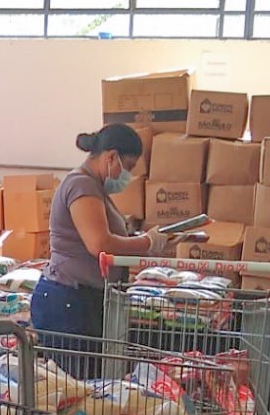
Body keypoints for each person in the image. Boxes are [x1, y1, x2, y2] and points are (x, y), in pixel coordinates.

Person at [30, 123, 176, 343]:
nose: (127, 176)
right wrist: (147, 242)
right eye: (127, 167)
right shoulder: (82, 186)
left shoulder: (93, 187)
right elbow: (99, 244)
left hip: (83, 299)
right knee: (76, 376)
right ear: (111, 157)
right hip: (69, 302)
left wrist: (151, 241)